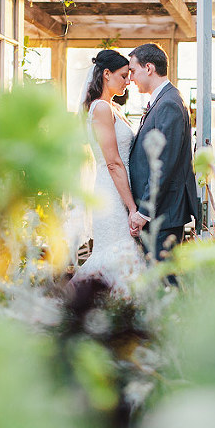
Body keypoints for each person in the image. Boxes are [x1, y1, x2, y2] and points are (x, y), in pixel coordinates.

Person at [71, 49, 144, 293]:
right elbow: (112, 161)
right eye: (123, 76)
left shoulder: (114, 108)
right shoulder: (101, 108)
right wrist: (132, 208)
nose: (128, 81)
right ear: (106, 74)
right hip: (111, 193)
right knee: (115, 251)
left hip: (119, 188)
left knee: (122, 252)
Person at [127, 43, 199, 262]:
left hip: (163, 214)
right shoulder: (163, 100)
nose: (131, 78)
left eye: (133, 70)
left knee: (165, 284)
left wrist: (144, 212)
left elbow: (163, 164)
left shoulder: (169, 103)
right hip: (160, 213)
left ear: (148, 68)